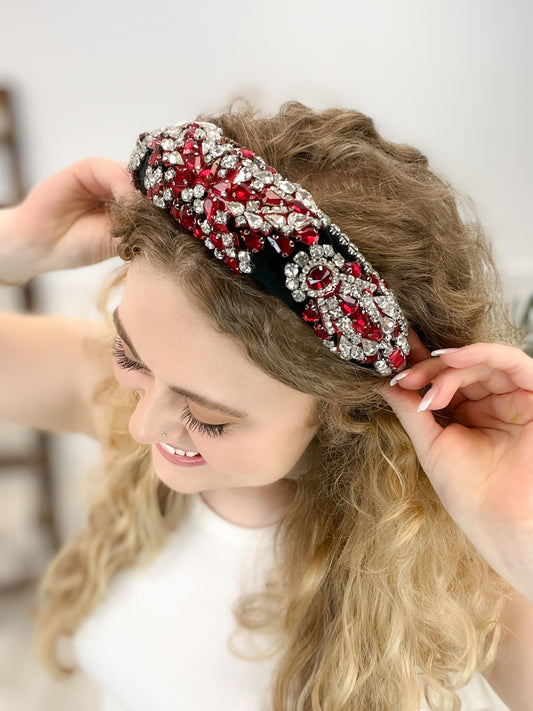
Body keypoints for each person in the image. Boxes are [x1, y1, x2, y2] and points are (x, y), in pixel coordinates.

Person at [0, 102, 531, 711]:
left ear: (344, 408)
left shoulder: (467, 574)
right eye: (130, 357)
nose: (140, 425)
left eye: (211, 418)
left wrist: (521, 534)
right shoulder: (104, 390)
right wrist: (11, 246)